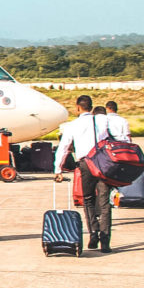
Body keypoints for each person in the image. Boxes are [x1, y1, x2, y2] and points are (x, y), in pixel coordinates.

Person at [54, 95, 114, 252]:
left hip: (86, 164)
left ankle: (93, 233)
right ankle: (105, 239)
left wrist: (58, 169)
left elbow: (64, 147)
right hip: (103, 164)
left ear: (78, 108)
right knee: (104, 201)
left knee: (88, 199)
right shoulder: (103, 121)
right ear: (91, 107)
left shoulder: (72, 125)